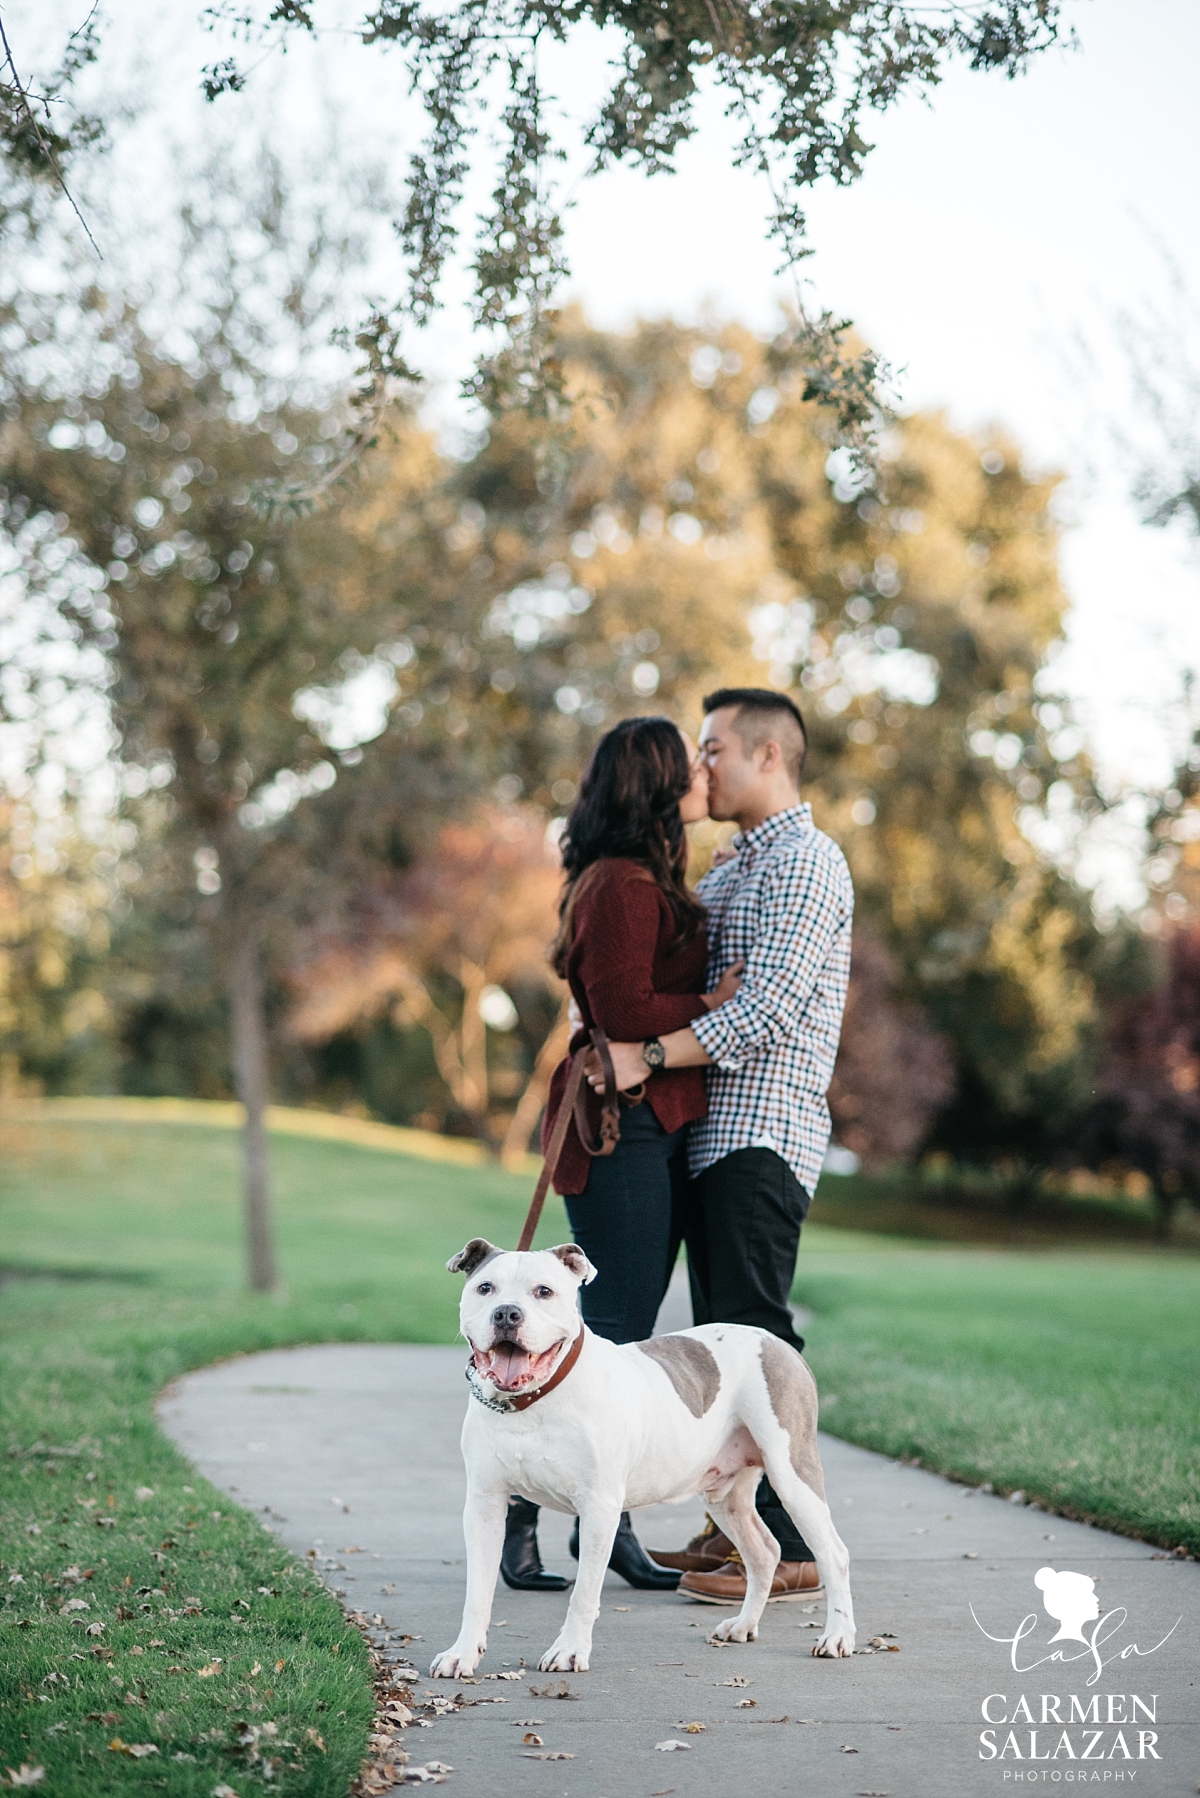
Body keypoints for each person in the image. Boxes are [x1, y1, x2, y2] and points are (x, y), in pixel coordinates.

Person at [587, 687, 853, 1605]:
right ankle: (731, 1524)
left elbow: (770, 1007)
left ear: (768, 756)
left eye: (712, 751)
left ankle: (792, 1543)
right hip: (708, 1135)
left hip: (762, 1134)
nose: (697, 769)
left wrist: (648, 1053)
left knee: (759, 1336)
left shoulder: (807, 863)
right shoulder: (737, 867)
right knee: (721, 1341)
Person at [500, 715, 744, 1596]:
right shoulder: (618, 882)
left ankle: (591, 1527)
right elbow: (622, 1006)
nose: (697, 779)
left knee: (624, 1335)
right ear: (654, 787)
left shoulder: (638, 878)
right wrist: (711, 999)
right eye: (684, 768)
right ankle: (531, 1528)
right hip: (619, 1130)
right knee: (608, 1335)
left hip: (651, 1123)